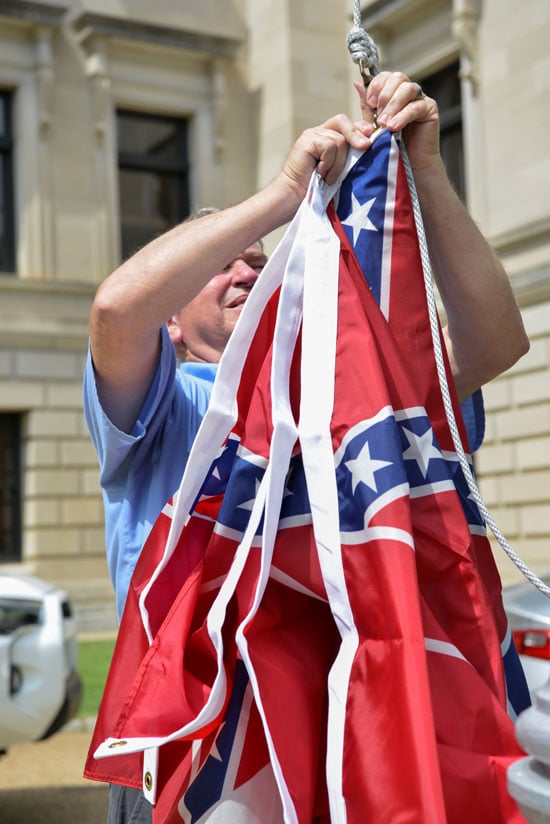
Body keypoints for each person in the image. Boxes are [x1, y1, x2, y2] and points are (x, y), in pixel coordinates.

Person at [84, 71, 529, 823]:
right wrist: (284, 195)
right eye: (220, 261)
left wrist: (424, 168)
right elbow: (114, 311)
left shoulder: (340, 392)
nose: (246, 268)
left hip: (331, 721)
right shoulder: (167, 401)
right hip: (191, 730)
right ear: (172, 317)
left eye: (259, 258)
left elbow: (496, 343)